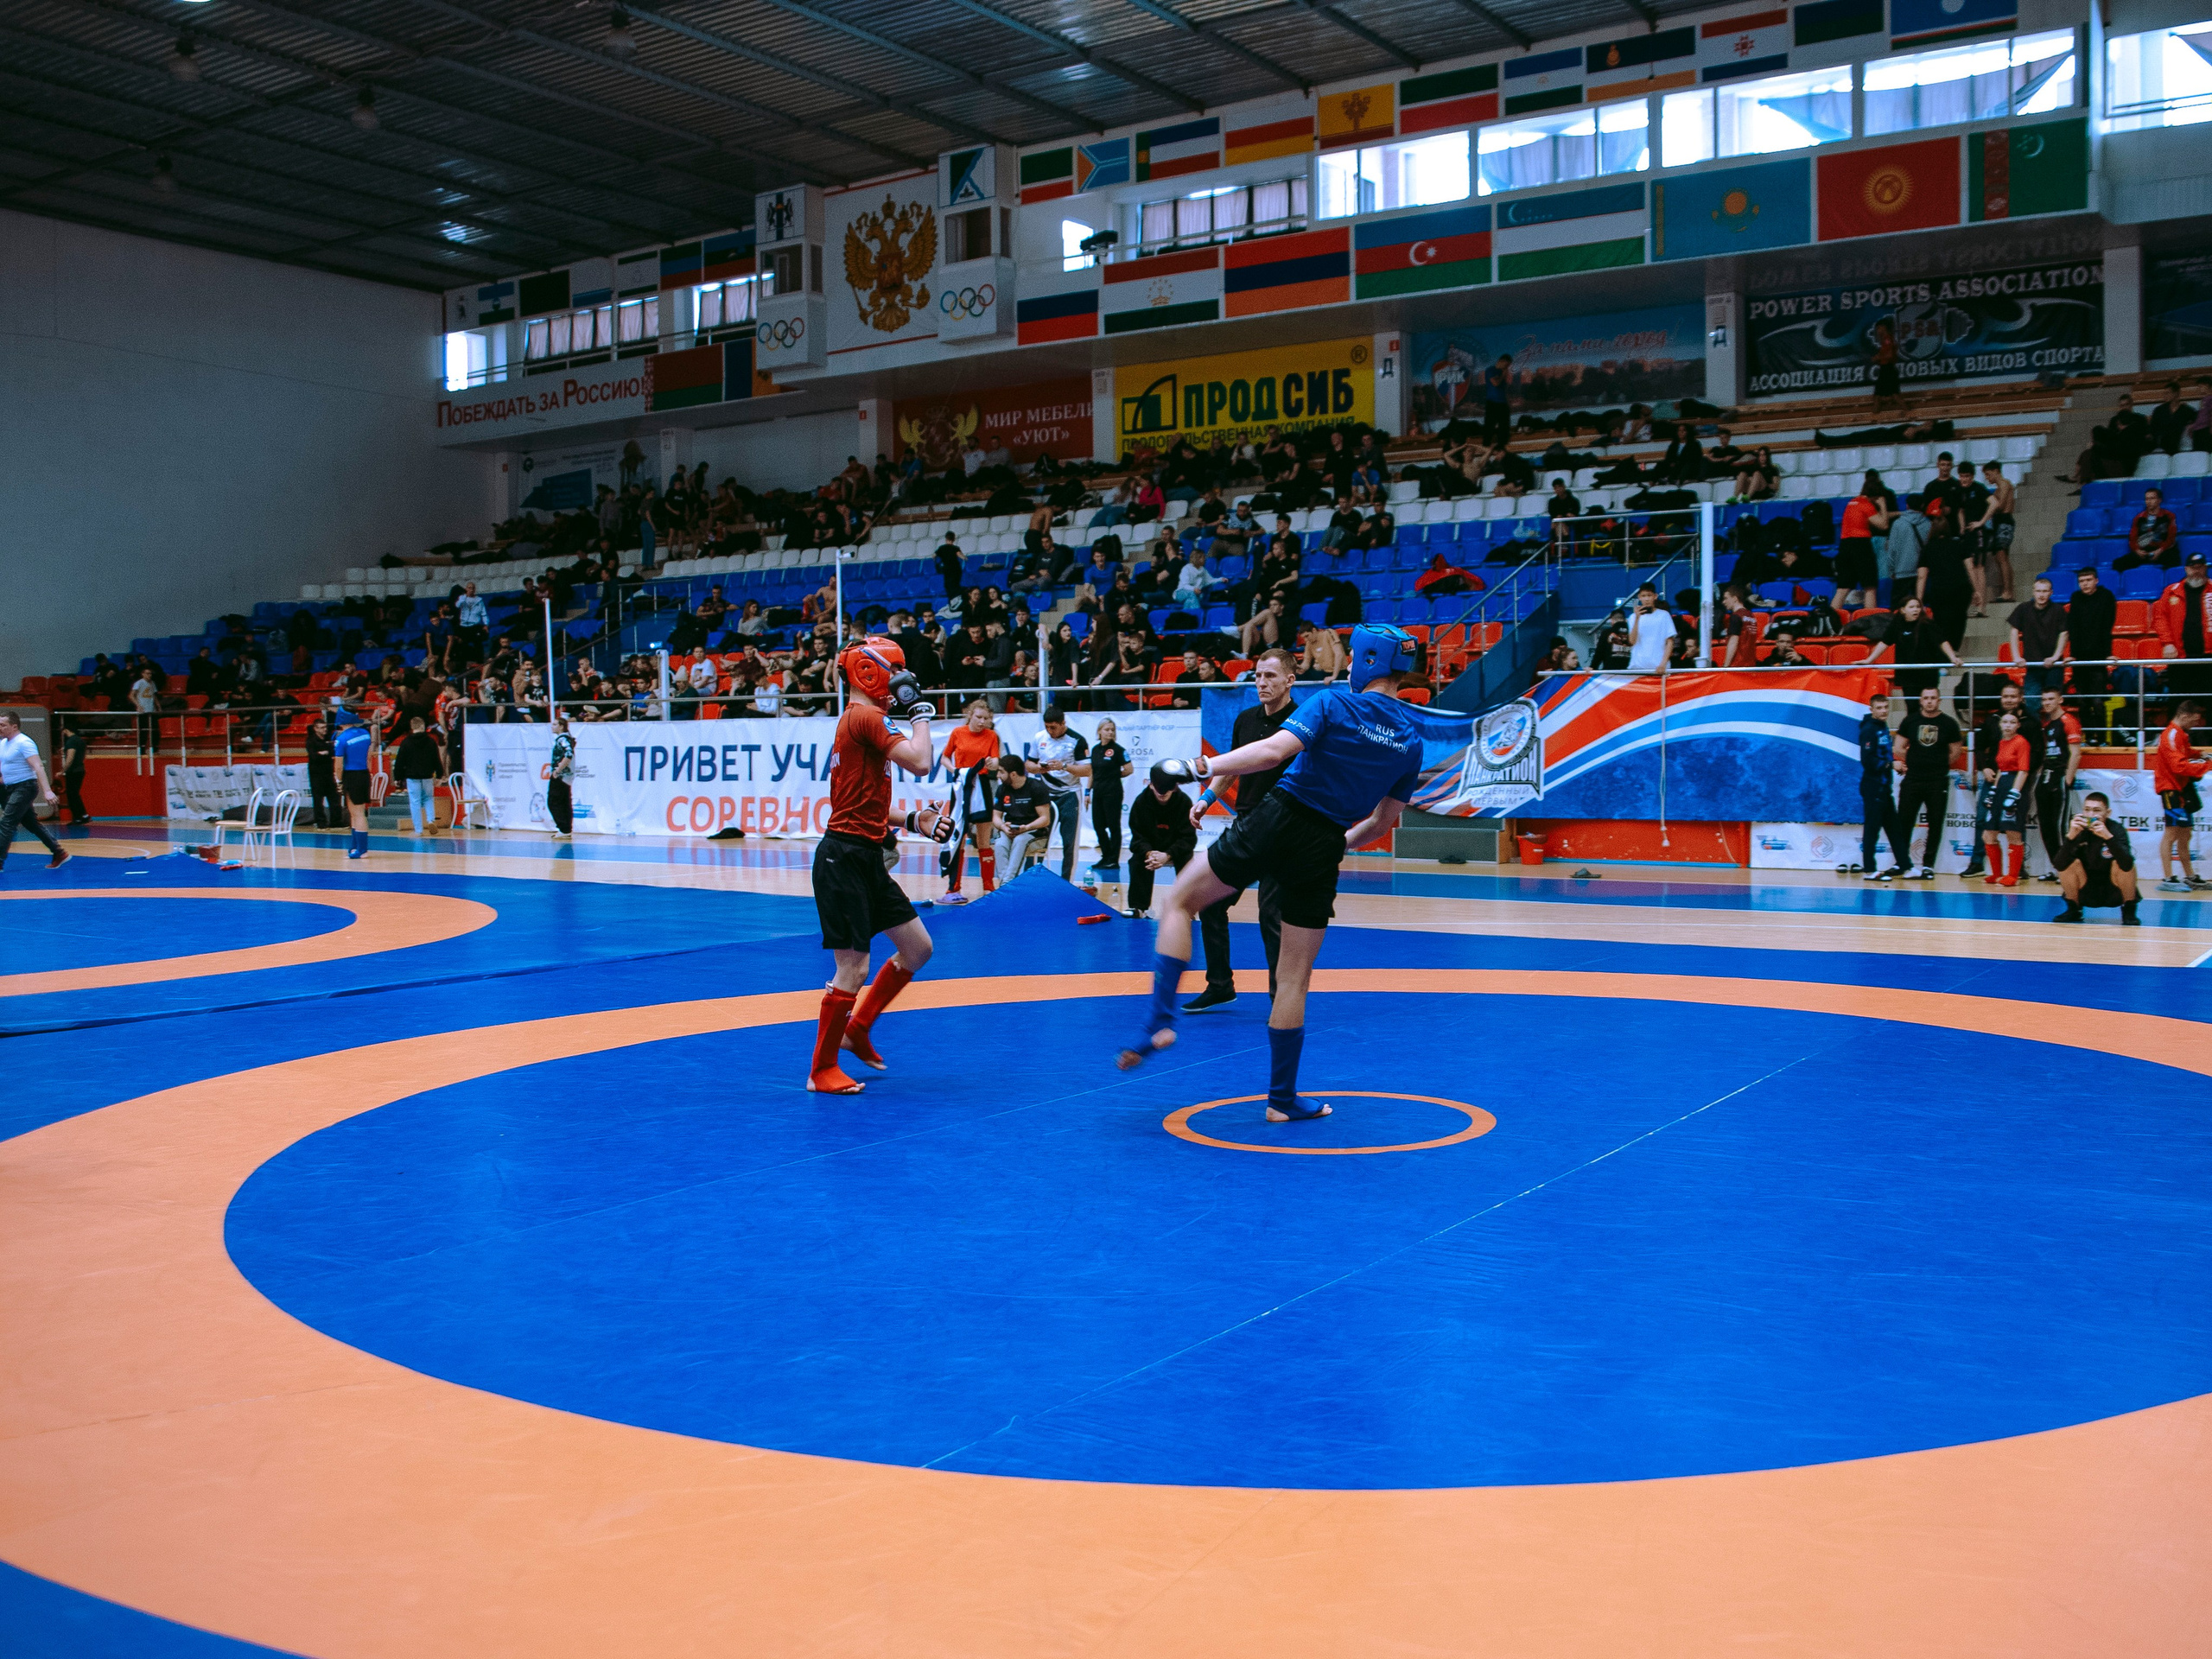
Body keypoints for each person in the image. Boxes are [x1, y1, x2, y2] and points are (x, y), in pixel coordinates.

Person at [1118, 626, 1427, 1124]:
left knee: (1179, 902)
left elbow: (1270, 754)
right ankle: (1281, 1101)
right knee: (1293, 980)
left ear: (1370, 660)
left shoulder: (1333, 705)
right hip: (1325, 840)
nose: (1347, 668)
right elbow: (1383, 822)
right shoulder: (1411, 741)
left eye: (1352, 660)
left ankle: (1158, 1019)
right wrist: (1336, 846)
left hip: (1279, 816)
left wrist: (1200, 765)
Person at [805, 637, 950, 1095]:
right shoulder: (866, 716)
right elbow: (923, 762)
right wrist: (922, 714)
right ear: (870, 673)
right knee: (853, 969)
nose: (901, 680)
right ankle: (821, 1069)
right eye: (897, 671)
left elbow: (854, 799)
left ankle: (858, 1028)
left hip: (863, 854)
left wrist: (912, 819)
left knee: (917, 948)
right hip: (844, 857)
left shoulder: (858, 721)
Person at [1186, 646, 1296, 1009]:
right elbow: (1231, 768)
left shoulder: (1300, 724)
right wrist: (1206, 799)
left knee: (1272, 915)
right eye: (1258, 676)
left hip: (1283, 832)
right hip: (1246, 827)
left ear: (1290, 681)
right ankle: (1220, 984)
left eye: (1270, 676)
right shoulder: (1246, 719)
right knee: (1210, 903)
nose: (1261, 682)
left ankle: (1281, 997)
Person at [1894, 684, 1963, 879]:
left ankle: (1928, 865)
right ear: (1921, 700)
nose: (1930, 701)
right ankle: (1901, 863)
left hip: (1937, 780)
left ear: (1939, 700)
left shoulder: (1949, 723)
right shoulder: (1911, 720)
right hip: (1913, 778)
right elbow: (1898, 747)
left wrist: (1936, 765)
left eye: (1933, 698)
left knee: (1935, 823)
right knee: (1904, 822)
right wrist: (1914, 762)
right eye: (1926, 698)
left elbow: (1955, 752)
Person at [938, 699, 1001, 902]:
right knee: (957, 837)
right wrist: (955, 771)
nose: (982, 722)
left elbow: (996, 762)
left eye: (986, 718)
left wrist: (993, 763)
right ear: (970, 716)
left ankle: (989, 888)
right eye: (979, 717)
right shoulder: (958, 732)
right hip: (961, 786)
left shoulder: (991, 736)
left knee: (984, 839)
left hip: (981, 785)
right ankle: (953, 888)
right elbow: (944, 757)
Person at [2051, 791, 2141, 925]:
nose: (2091, 815)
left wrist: (2108, 838)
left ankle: (2129, 912)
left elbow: (2127, 865)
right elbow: (2058, 864)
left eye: (2097, 810)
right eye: (2087, 810)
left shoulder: (2116, 829)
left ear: (2108, 813)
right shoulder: (2078, 830)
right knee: (2068, 865)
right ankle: (2073, 910)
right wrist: (2070, 838)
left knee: (2122, 864)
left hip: (2113, 890)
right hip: (2086, 889)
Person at [1123, 763, 1199, 919]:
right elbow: (1138, 837)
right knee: (1137, 861)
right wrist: (1149, 853)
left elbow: (1188, 839)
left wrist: (1169, 855)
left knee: (1187, 861)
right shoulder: (1141, 802)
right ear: (1150, 785)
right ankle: (1139, 907)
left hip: (1174, 848)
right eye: (1159, 787)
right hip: (1150, 849)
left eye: (1167, 788)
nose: (1163, 792)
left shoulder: (1184, 802)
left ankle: (1187, 909)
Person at [1023, 706, 1088, 882]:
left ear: (1063, 723)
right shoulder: (1039, 738)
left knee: (1069, 843)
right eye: (1047, 727)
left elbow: (1087, 770)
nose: (1050, 731)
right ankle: (1030, 880)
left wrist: (1064, 766)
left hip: (1069, 794)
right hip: (1045, 796)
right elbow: (1029, 763)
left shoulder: (1077, 740)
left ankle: (1067, 882)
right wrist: (1038, 768)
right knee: (1038, 838)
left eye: (1053, 727)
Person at [0, 710, 69, 873]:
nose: (0, 728)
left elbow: (38, 766)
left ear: (14, 726)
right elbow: (6, 768)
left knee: (7, 823)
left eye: (3, 725)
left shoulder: (24, 742)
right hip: (10, 787)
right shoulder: (4, 743)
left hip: (25, 787)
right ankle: (59, 852)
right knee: (31, 824)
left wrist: (47, 791)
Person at [2152, 698, 2207, 891]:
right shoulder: (2172, 735)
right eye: (2194, 721)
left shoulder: (2179, 734)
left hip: (2180, 788)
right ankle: (2168, 878)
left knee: (2186, 833)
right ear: (2185, 715)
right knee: (2172, 833)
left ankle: (2190, 876)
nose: (2196, 724)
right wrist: (2207, 765)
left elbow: (2184, 753)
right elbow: (2178, 765)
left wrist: (2199, 754)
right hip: (2170, 788)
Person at [2030, 686, 2082, 883]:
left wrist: (2067, 780)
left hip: (2060, 778)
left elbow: (2076, 753)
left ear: (2060, 700)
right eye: (2044, 700)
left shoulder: (2069, 721)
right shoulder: (2048, 724)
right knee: (2046, 827)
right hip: (2046, 778)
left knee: (2060, 827)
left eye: (2050, 699)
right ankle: (2056, 867)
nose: (2046, 703)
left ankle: (2068, 868)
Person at [1976, 709, 2031, 887]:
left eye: (2012, 722)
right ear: (2000, 724)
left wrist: (2014, 793)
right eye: (2005, 722)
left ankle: (2013, 875)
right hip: (2001, 785)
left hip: (2014, 785)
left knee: (2012, 832)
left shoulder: (2022, 742)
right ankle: (1997, 874)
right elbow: (2001, 768)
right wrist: (1994, 790)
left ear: (2018, 725)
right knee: (1988, 834)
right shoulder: (2001, 742)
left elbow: (2023, 770)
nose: (2008, 725)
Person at [1856, 690, 1906, 880]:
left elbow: (1883, 753)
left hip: (1884, 787)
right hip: (1873, 787)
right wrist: (1890, 764)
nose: (1883, 711)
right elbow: (1867, 761)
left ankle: (1906, 866)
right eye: (1879, 708)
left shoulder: (1882, 726)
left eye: (1886, 707)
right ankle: (1869, 869)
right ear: (1872, 709)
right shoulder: (1869, 729)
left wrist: (1894, 764)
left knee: (1894, 829)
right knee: (1872, 829)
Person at [2152, 551, 2212, 700]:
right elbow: (2160, 618)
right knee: (2178, 701)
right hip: (2179, 657)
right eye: (2193, 567)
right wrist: (2168, 643)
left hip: (2209, 657)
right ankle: (2175, 725)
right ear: (2186, 569)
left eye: (2200, 567)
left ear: (2205, 568)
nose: (2196, 571)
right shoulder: (2171, 591)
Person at [2068, 566, 2118, 737]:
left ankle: (2102, 738)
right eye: (2081, 581)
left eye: (2088, 580)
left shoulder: (2106, 596)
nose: (2085, 584)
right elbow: (2073, 628)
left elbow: (2107, 626)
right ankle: (2089, 737)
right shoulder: (2075, 598)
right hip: (2080, 658)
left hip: (2099, 658)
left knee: (2097, 701)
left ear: (2096, 580)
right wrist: (2073, 654)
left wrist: (2107, 654)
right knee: (2082, 701)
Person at [988, 753, 1052, 878]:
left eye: (1001, 772)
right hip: (1011, 831)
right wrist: (1003, 827)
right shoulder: (1002, 789)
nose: (998, 775)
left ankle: (1008, 882)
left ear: (1013, 774)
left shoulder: (1036, 787)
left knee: (1020, 840)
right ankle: (1005, 885)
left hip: (1034, 833)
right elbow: (995, 816)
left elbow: (1045, 819)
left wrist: (1026, 828)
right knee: (1000, 843)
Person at [1082, 716, 1133, 875]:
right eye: (1107, 729)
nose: (1110, 732)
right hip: (1098, 792)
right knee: (1098, 825)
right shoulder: (1096, 750)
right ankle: (1106, 856)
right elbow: (1092, 772)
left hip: (1113, 792)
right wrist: (1087, 791)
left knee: (1113, 826)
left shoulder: (1118, 750)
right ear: (1100, 731)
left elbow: (1129, 769)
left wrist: (1114, 775)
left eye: (1112, 730)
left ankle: (1114, 860)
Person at [332, 708, 383, 860]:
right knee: (355, 813)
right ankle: (355, 846)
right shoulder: (365, 734)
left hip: (351, 775)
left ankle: (362, 849)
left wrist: (339, 781)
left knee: (358, 813)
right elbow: (369, 757)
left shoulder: (341, 739)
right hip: (363, 773)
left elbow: (338, 765)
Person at [2007, 577, 2069, 701]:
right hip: (2032, 666)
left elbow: (2064, 633)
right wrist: (2016, 656)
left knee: (2053, 703)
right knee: (2031, 702)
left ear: (2051, 593)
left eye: (2045, 591)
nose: (2041, 595)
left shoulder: (2058, 610)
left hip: (2054, 667)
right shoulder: (2023, 609)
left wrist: (2055, 657)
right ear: (2033, 592)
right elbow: (2014, 631)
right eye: (2038, 591)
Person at [392, 715, 444, 835]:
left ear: (412, 727)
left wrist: (398, 777)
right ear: (423, 726)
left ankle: (418, 830)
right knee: (428, 798)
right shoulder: (431, 741)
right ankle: (431, 820)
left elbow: (400, 761)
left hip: (412, 777)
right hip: (428, 776)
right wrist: (439, 775)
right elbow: (436, 759)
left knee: (415, 802)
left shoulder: (406, 742)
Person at [1973, 461, 2016, 606]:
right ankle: (2007, 591)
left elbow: (2001, 505)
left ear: (1996, 471)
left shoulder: (2004, 484)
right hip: (1999, 521)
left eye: (1988, 474)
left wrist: (1988, 508)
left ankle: (2008, 592)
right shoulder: (2000, 487)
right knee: (2000, 557)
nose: (1987, 478)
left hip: (2004, 520)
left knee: (2002, 557)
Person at [2115, 488, 2180, 572]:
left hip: (2163, 551)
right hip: (2144, 552)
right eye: (2147, 499)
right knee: (2118, 564)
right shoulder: (2139, 518)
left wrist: (2160, 551)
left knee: (2174, 561)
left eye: (2152, 498)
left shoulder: (2169, 516)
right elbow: (2132, 538)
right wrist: (2137, 550)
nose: (2149, 501)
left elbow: (2171, 538)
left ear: (2159, 500)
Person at [1624, 582, 1675, 674]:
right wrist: (1637, 618)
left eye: (1649, 595)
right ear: (1639, 597)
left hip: (1659, 667)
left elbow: (1670, 641)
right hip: (1637, 666)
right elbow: (1632, 641)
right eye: (1643, 596)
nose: (1647, 599)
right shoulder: (1632, 617)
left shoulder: (1664, 615)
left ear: (1655, 596)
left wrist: (1663, 664)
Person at [546, 710, 575, 836]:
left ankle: (563, 828)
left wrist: (557, 770)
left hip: (561, 776)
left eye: (554, 724)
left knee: (554, 801)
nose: (552, 727)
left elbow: (568, 755)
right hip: (566, 776)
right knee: (564, 801)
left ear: (561, 726)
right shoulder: (565, 739)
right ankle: (566, 829)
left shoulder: (562, 740)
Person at [56, 722, 88, 825]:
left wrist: (62, 770)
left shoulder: (71, 741)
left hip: (73, 771)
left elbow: (70, 758)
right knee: (75, 794)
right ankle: (83, 815)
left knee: (71, 795)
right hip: (80, 769)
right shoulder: (80, 740)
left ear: (66, 730)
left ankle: (77, 817)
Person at [1481, 353, 1512, 446]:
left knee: (1504, 428)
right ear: (1501, 362)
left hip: (1503, 403)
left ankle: (1502, 447)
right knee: (1489, 427)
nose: (1507, 368)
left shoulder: (1503, 373)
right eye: (1506, 365)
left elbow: (1503, 389)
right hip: (1492, 403)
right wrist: (1503, 374)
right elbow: (1495, 383)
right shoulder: (1491, 370)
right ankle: (1486, 447)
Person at [1870, 316, 1900, 410]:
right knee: (1893, 394)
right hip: (1887, 367)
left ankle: (1875, 415)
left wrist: (1879, 357)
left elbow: (1890, 355)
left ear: (1884, 327)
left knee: (1878, 394)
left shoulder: (1887, 340)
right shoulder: (1886, 340)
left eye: (1879, 328)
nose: (1878, 331)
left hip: (1887, 368)